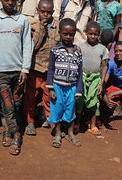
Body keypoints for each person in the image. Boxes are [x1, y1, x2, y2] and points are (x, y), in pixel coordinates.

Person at [0, 0, 33, 156]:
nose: (10, 3)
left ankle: (7, 131)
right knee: (7, 104)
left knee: (16, 104)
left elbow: (27, 46)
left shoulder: (22, 20)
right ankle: (17, 135)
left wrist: (25, 69)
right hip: (1, 72)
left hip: (18, 71)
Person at [24, 0, 60, 135]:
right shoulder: (33, 25)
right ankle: (30, 122)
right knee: (31, 96)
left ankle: (50, 120)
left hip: (50, 70)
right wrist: (41, 28)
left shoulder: (57, 26)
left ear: (53, 12)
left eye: (49, 12)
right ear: (38, 11)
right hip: (35, 68)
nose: (46, 15)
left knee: (49, 96)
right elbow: (31, 46)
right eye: (43, 11)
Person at [46, 18, 83, 148]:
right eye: (65, 34)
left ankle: (70, 133)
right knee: (57, 110)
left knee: (70, 110)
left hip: (72, 87)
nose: (68, 37)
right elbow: (50, 70)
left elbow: (80, 72)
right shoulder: (55, 50)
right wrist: (50, 89)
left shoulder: (78, 52)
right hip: (57, 87)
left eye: (71, 34)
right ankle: (57, 134)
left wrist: (78, 90)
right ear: (60, 33)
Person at [76, 21, 108, 136]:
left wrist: (101, 83)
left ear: (98, 34)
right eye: (90, 34)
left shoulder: (102, 49)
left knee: (94, 102)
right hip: (82, 77)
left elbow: (104, 66)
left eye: (95, 34)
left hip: (95, 79)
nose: (93, 36)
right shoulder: (80, 48)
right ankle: (77, 123)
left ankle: (93, 124)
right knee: (79, 101)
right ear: (86, 33)